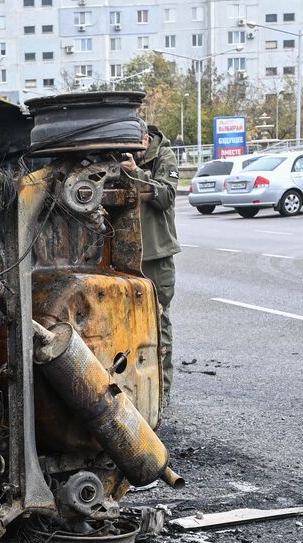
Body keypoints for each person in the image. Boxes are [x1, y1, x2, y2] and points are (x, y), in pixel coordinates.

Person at [121, 122, 180, 409]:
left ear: (146, 138)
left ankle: (162, 390)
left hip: (156, 256)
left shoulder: (164, 157)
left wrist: (136, 173)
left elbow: (166, 197)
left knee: (158, 322)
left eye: (136, 142)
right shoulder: (122, 158)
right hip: (126, 254)